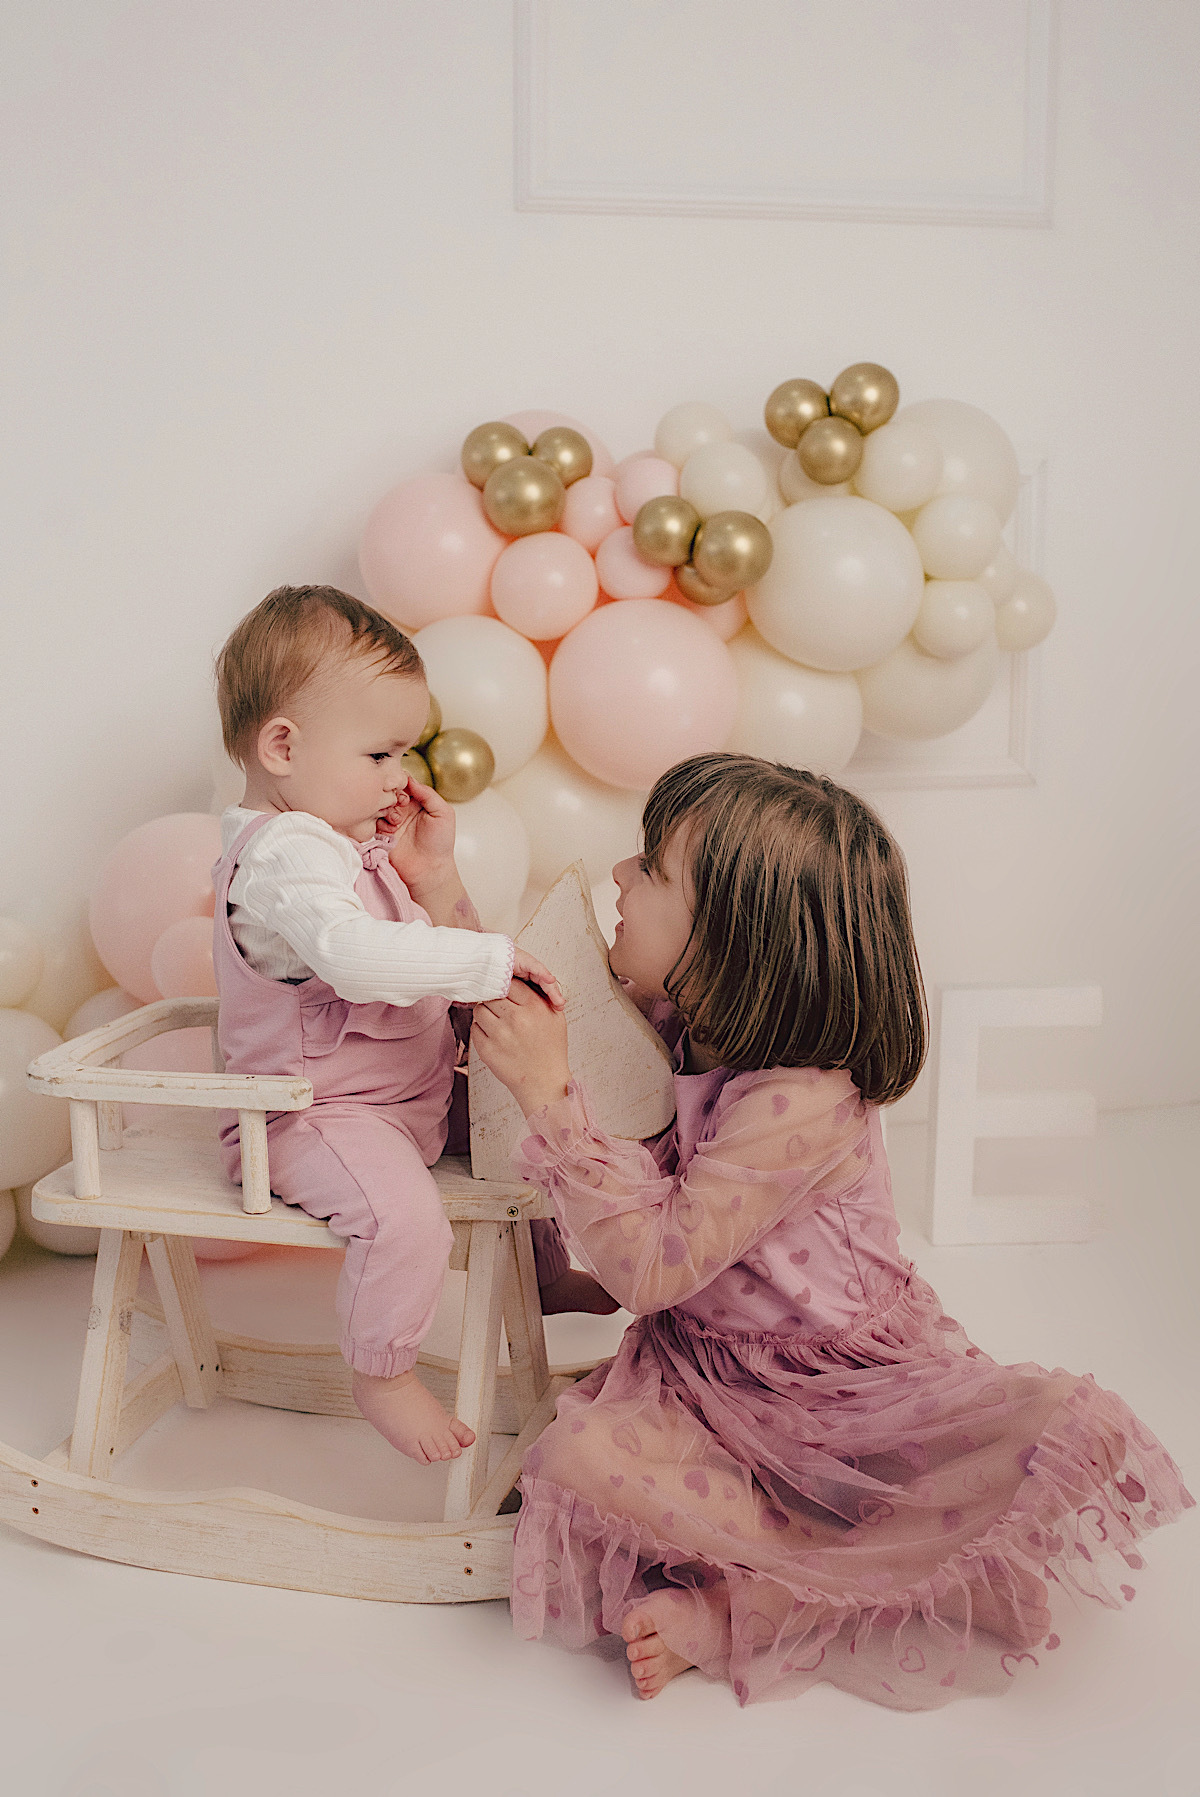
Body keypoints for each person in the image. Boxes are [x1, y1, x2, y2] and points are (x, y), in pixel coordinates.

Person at [472, 753, 1193, 1708]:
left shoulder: (800, 1100)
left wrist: (547, 1094)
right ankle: (856, 1556)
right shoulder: (674, 1021)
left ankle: (753, 1609)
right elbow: (529, 987)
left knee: (1065, 1425)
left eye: (651, 868)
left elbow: (652, 1266)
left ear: (732, 943)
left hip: (846, 1396)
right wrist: (440, 888)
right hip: (706, 1377)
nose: (618, 874)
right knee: (581, 1461)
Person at [212, 584, 615, 1467]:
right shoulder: (283, 857)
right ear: (283, 746)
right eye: (379, 752)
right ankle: (383, 1370)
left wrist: (431, 875)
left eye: (404, 750)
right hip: (313, 1114)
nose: (401, 774)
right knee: (407, 1220)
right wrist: (488, 962)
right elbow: (354, 956)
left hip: (406, 1096)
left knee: (514, 1120)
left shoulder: (339, 844)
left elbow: (429, 946)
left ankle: (542, 1272)